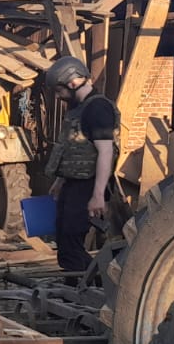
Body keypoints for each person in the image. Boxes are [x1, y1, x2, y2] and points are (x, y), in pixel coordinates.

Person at [42, 55, 118, 272]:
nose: (58, 97)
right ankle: (74, 285)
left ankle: (87, 285)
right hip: (73, 183)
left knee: (73, 237)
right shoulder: (78, 108)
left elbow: (105, 152)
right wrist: (60, 180)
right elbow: (72, 149)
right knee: (64, 238)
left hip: (88, 185)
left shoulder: (98, 109)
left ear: (73, 83)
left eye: (59, 91)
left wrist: (98, 195)